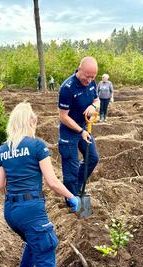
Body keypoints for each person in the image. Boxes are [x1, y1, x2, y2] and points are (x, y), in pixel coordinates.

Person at [0, 102, 80, 267]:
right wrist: (73, 199)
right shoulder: (37, 146)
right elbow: (52, 182)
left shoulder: (3, 150)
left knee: (36, 239)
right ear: (30, 122)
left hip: (11, 211)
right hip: (32, 210)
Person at [58, 56, 100, 200]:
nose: (89, 80)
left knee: (93, 158)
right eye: (87, 77)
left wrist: (93, 106)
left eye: (92, 77)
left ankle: (77, 188)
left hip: (84, 127)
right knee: (71, 167)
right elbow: (63, 116)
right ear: (79, 70)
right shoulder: (67, 88)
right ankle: (71, 199)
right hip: (69, 132)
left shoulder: (92, 82)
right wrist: (80, 131)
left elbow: (97, 100)